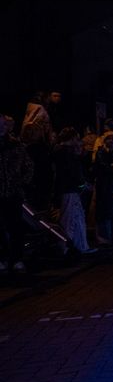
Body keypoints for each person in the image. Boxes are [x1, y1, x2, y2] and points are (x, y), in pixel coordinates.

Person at [0, 115, 33, 271]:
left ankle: (16, 258)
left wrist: (21, 182)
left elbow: (28, 166)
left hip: (13, 193)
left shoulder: (16, 145)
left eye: (3, 125)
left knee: (15, 227)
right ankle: (3, 258)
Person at [53, 127, 93, 254]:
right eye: (76, 138)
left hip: (67, 189)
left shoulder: (60, 152)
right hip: (69, 190)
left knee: (73, 217)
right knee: (71, 219)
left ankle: (76, 246)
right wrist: (82, 184)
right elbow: (73, 173)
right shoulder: (67, 153)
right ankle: (69, 247)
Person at [92, 131, 113, 244]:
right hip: (105, 186)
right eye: (109, 139)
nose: (111, 141)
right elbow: (104, 168)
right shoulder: (100, 153)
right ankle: (105, 238)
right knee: (105, 212)